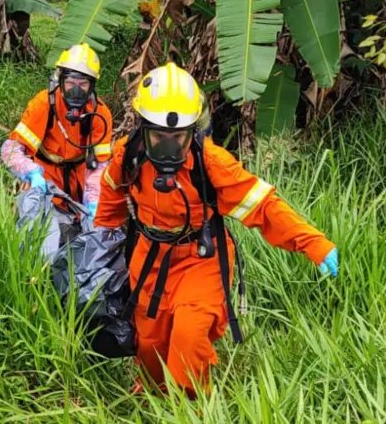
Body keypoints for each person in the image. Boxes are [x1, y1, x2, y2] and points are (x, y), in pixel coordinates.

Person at [93, 62, 339, 397]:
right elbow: (111, 191)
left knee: (189, 335)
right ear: (143, 128)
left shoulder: (211, 163)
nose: (168, 147)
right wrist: (102, 239)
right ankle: (154, 396)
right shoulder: (129, 155)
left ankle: (192, 407)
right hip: (148, 257)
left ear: (193, 130)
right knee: (149, 342)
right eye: (158, 137)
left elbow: (263, 206)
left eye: (177, 137)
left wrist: (313, 244)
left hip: (200, 257)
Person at [1, 43, 114, 234]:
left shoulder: (99, 113)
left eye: (83, 84)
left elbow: (100, 165)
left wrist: (94, 202)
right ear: (60, 81)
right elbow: (11, 149)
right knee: (39, 233)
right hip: (45, 180)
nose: (76, 90)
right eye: (70, 82)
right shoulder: (44, 104)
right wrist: (32, 173)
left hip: (78, 184)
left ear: (92, 86)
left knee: (86, 232)